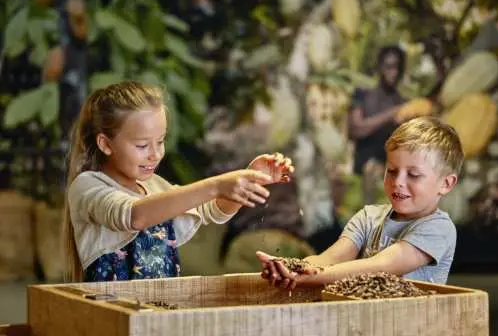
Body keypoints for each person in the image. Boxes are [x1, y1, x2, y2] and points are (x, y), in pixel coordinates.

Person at [63, 80, 294, 282]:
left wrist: (249, 179)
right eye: (142, 146)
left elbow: (213, 211)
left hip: (160, 316)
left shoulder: (156, 186)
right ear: (105, 144)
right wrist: (217, 184)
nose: (155, 154)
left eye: (160, 141)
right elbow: (134, 216)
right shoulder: (88, 186)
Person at [256, 116, 463, 288]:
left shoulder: (439, 228)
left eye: (413, 175)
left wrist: (308, 277)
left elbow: (380, 265)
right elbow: (329, 259)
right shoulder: (368, 217)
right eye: (391, 171)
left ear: (446, 183)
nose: (398, 182)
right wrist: (292, 268)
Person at [349, 46, 407, 176]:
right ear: (380, 67)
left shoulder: (401, 102)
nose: (394, 72)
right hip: (360, 174)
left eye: (398, 68)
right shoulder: (362, 94)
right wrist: (390, 114)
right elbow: (357, 129)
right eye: (390, 67)